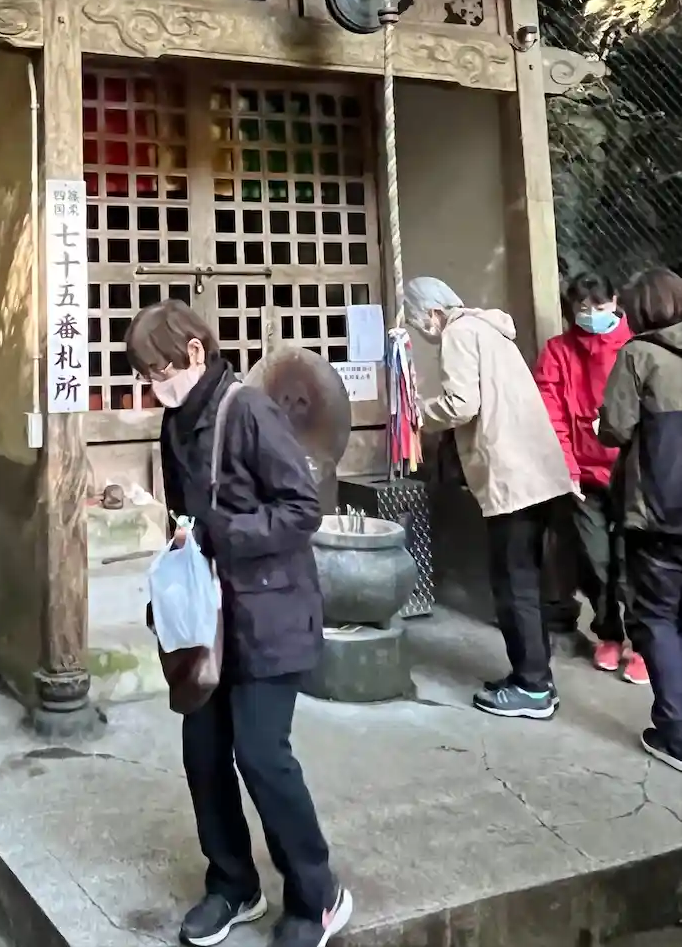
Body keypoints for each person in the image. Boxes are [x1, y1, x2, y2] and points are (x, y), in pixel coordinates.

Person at [126, 299, 351, 947]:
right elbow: (184, 517)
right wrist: (178, 563)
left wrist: (221, 533)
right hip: (210, 617)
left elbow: (301, 508)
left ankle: (317, 895)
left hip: (271, 611)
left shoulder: (247, 409)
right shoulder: (176, 422)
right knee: (202, 752)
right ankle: (232, 884)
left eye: (159, 372)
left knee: (260, 754)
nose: (155, 387)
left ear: (194, 353)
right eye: (147, 377)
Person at [404, 277, 574, 719]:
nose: (422, 331)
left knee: (513, 585)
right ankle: (534, 677)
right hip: (538, 473)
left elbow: (462, 404)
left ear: (433, 313)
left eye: (418, 322)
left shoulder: (458, 334)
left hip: (511, 478)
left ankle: (533, 687)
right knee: (526, 581)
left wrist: (417, 413)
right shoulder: (490, 330)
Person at [533, 274, 645, 682]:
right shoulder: (558, 351)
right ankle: (609, 634)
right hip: (583, 474)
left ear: (615, 302)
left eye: (599, 307)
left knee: (633, 561)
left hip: (633, 472)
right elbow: (552, 416)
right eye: (583, 308)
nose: (592, 315)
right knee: (596, 560)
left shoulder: (637, 347)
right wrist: (568, 469)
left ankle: (642, 644)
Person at [599, 267, 682, 770]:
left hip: (659, 513)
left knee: (657, 618)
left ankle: (676, 734)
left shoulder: (640, 355)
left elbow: (614, 428)